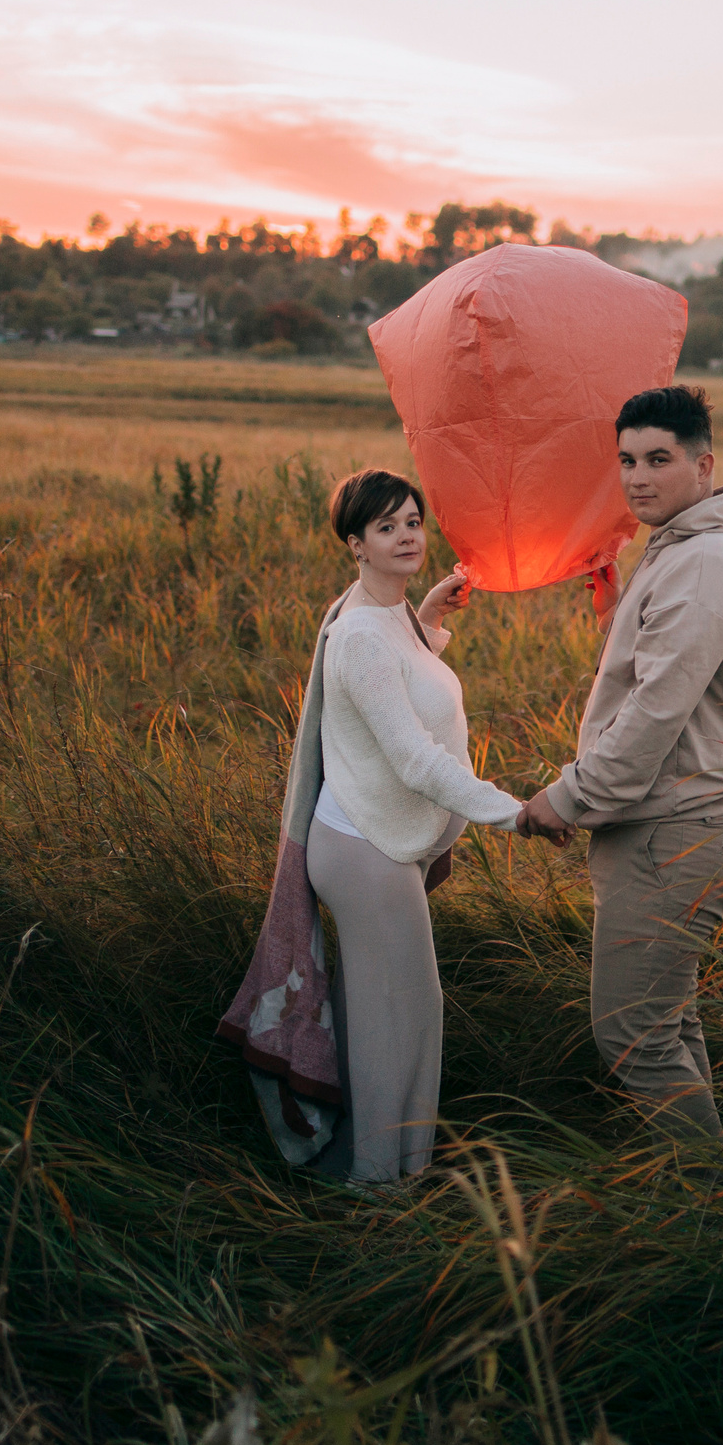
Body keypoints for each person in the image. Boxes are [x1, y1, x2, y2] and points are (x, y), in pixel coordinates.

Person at [220, 469, 524, 1183]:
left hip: (374, 842)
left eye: (413, 521)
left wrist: (429, 619)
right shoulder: (359, 632)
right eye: (386, 527)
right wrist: (516, 812)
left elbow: (399, 676)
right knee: (405, 1021)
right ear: (354, 542)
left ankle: (364, 1160)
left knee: (382, 1015)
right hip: (364, 850)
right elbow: (414, 757)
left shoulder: (386, 614)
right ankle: (384, 1188)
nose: (407, 535)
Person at [517, 385, 723, 1150]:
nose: (637, 477)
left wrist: (569, 796)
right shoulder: (689, 552)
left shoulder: (703, 562)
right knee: (664, 1021)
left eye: (658, 459)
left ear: (703, 464)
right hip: (668, 826)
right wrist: (619, 613)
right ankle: (707, 1197)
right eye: (626, 460)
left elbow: (658, 712)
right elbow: (670, 677)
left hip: (673, 831)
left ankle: (707, 1201)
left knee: (631, 1032)